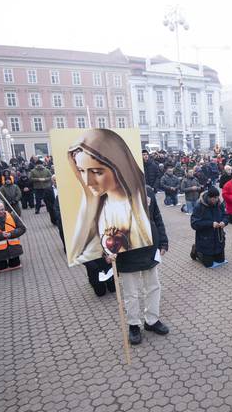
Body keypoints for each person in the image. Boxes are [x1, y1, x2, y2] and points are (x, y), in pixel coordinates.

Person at [66, 129, 153, 267]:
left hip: (146, 260)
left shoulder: (141, 197)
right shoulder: (97, 207)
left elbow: (152, 229)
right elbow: (92, 247)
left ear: (118, 166)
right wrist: (103, 257)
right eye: (81, 171)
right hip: (124, 265)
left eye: (96, 172)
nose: (88, 181)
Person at [112, 184, 170, 345]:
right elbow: (105, 224)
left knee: (153, 287)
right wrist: (107, 250)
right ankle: (134, 324)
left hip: (150, 248)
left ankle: (152, 320)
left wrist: (163, 241)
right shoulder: (113, 192)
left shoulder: (148, 190)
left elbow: (156, 216)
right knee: (131, 292)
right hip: (126, 252)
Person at [190, 186, 229, 268]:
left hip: (218, 238)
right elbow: (194, 224)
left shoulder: (219, 203)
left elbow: (226, 216)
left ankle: (212, 254)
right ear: (209, 197)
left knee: (220, 260)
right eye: (214, 198)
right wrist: (210, 224)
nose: (216, 200)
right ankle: (196, 251)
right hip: (205, 239)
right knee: (208, 264)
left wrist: (224, 222)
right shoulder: (199, 206)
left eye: (217, 198)